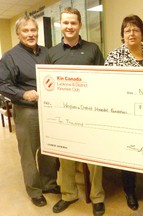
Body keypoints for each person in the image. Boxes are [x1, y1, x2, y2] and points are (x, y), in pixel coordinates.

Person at [45, 7, 105, 216]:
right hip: (64, 116)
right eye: (66, 23)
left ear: (80, 25)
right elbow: (46, 84)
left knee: (94, 160)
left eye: (73, 23)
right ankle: (68, 194)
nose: (69, 26)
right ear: (61, 25)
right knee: (66, 158)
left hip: (89, 114)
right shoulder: (51, 53)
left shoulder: (92, 49)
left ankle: (97, 197)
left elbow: (103, 81)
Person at [0, 15, 59, 207]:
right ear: (18, 34)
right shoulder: (10, 57)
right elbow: (3, 84)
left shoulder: (46, 53)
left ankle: (49, 183)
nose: (30, 34)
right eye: (25, 31)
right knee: (28, 152)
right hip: (27, 111)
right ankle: (34, 190)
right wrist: (23, 94)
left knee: (49, 148)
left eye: (33, 30)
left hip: (48, 109)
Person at [105, 14, 143, 210]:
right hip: (126, 116)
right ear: (122, 34)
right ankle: (129, 192)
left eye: (136, 29)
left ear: (142, 33)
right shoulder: (114, 56)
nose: (132, 33)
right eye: (127, 30)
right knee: (128, 155)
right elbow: (107, 87)